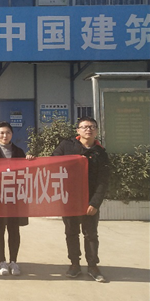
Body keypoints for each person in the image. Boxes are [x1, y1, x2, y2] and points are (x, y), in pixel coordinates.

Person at [52, 116, 109, 283]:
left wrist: (95, 203)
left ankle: (92, 265)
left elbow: (103, 180)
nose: (88, 129)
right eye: (84, 127)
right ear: (78, 130)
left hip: (89, 201)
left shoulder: (100, 153)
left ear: (96, 131)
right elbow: (53, 162)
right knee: (71, 232)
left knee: (91, 234)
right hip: (69, 199)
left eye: (92, 127)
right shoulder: (67, 146)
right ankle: (74, 264)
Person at [0, 121, 35, 276]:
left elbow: (26, 171)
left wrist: (29, 159)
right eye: (2, 133)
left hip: (14, 196)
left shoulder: (19, 151)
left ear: (12, 134)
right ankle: (2, 261)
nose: (5, 136)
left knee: (14, 229)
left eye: (8, 133)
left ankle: (13, 261)